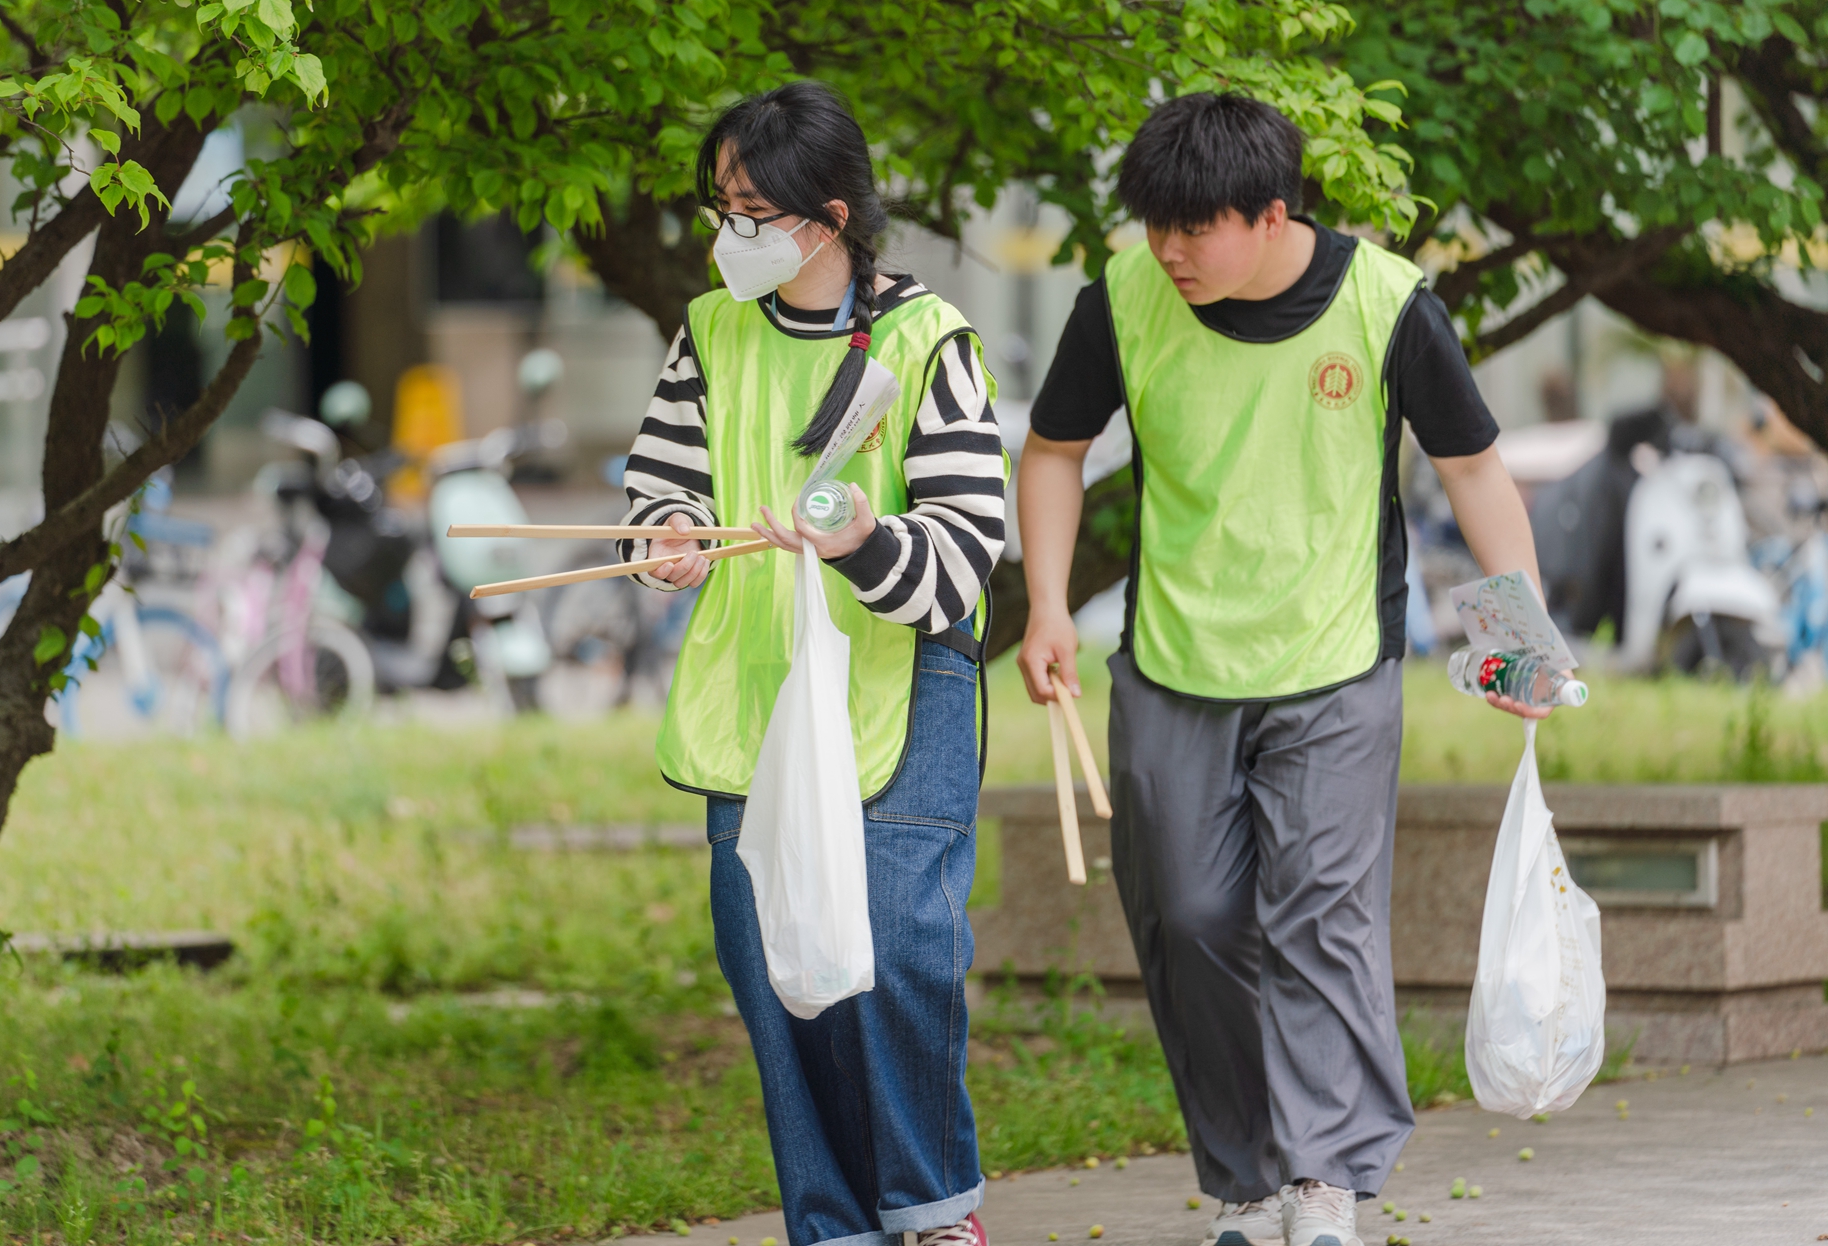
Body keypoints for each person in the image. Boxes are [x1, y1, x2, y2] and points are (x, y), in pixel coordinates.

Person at [1014, 92, 1550, 1246]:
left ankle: (1323, 1174)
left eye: (1191, 228)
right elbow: (1053, 450)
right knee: (1187, 913)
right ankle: (1248, 1176)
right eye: (1154, 223)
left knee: (1319, 912)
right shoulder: (1123, 297)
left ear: (1271, 214)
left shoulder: (1386, 303)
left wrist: (1516, 635)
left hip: (1333, 660)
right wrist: (1047, 603)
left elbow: (1471, 469)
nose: (1167, 249)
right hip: (1172, 657)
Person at [617, 81, 1007, 1246]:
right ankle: (832, 1225)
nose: (727, 232)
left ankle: (933, 1209)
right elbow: (657, 492)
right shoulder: (709, 328)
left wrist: (861, 542)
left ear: (826, 216)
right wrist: (666, 540)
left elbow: (962, 551)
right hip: (755, 682)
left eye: (750, 211)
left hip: (900, 677)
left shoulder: (928, 340)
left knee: (893, 943)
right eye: (720, 207)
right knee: (770, 958)